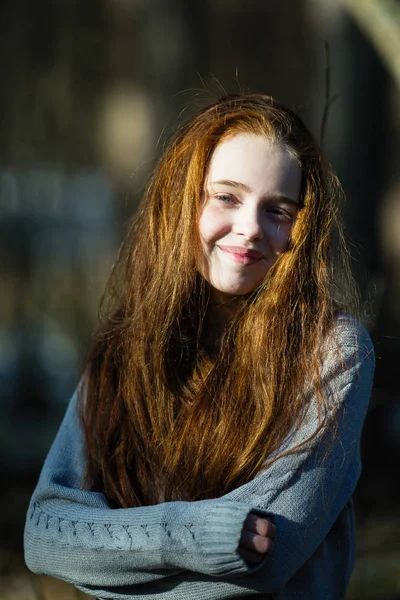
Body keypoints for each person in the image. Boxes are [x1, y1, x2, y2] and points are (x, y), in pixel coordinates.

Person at [24, 94, 375, 599]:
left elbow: (265, 560)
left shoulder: (333, 351)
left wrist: (105, 565)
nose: (251, 227)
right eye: (227, 197)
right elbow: (44, 534)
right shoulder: (124, 349)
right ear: (183, 201)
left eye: (277, 210)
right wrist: (193, 535)